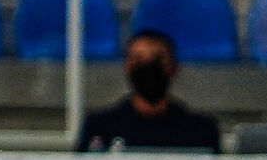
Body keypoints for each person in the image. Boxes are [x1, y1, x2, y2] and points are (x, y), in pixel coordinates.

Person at [77, 28, 220, 152]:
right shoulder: (99, 128)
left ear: (174, 68)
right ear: (126, 67)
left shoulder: (199, 130)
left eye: (158, 59)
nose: (148, 67)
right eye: (138, 60)